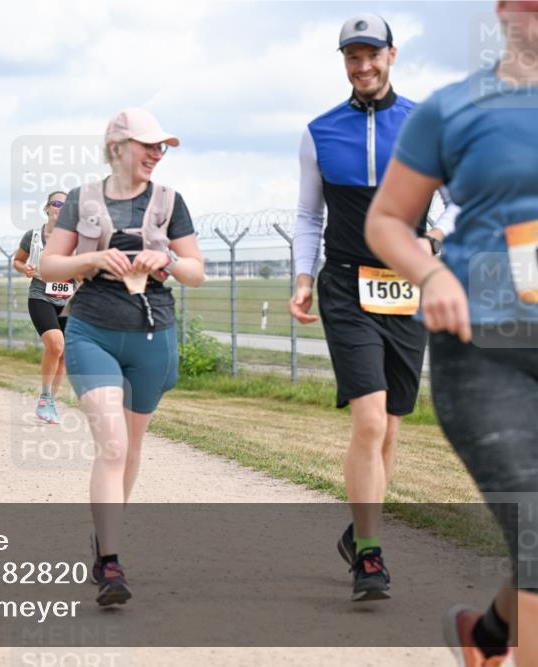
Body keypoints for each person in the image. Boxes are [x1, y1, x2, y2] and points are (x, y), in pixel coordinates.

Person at [366, 2, 537, 664]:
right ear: (505, 10)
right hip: (488, 348)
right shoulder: (455, 108)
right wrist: (432, 276)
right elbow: (387, 221)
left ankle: (486, 634)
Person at [287, 13, 452, 602]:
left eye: (371, 55)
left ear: (392, 54)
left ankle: (361, 529)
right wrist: (304, 278)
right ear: (344, 63)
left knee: (391, 430)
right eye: (352, 57)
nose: (363, 66)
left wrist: (434, 236)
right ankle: (370, 556)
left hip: (407, 287)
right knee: (370, 419)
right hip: (346, 286)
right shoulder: (319, 131)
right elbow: (309, 216)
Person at [40, 108, 204, 606]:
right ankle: (111, 564)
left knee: (130, 448)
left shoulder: (170, 202)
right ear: (117, 147)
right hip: (93, 331)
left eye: (163, 147)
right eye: (148, 145)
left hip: (152, 334)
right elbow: (50, 265)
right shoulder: (82, 200)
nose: (158, 153)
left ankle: (105, 538)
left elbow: (196, 270)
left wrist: (170, 260)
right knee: (111, 444)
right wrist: (89, 259)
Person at [13, 190, 75, 424]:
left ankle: (48, 401)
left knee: (63, 355)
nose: (61, 207)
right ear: (47, 208)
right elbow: (18, 260)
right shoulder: (34, 236)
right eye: (56, 203)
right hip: (41, 295)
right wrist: (24, 269)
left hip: (69, 299)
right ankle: (45, 398)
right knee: (55, 344)